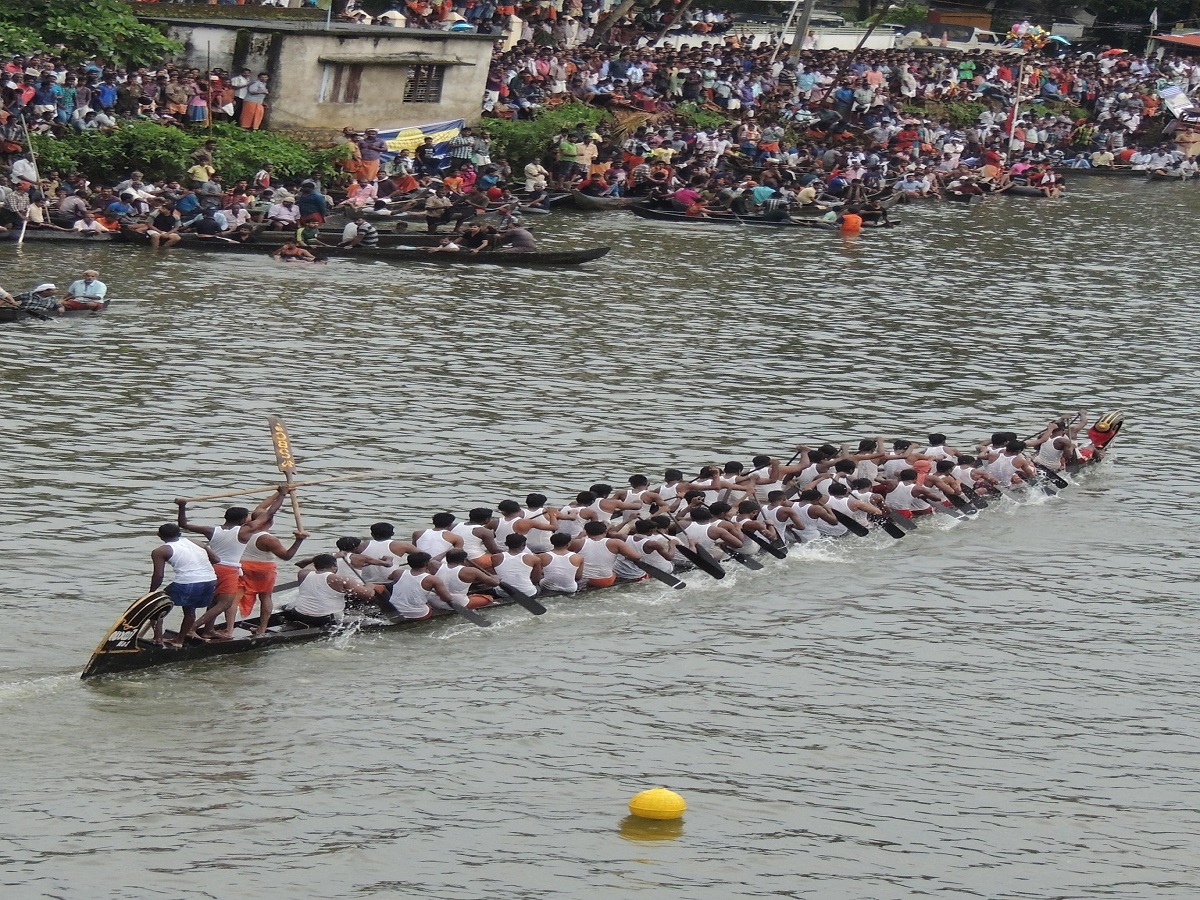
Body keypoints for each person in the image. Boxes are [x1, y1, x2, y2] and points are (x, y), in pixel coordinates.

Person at [175, 487, 292, 637]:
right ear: (244, 520)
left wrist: (182, 506)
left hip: (211, 568)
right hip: (228, 570)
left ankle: (208, 630)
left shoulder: (212, 530)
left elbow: (183, 524)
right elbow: (270, 513)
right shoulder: (244, 532)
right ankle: (193, 628)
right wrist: (282, 495)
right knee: (225, 603)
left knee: (214, 601)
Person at [149, 523, 219, 647]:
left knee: (155, 606)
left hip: (187, 582)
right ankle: (179, 641)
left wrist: (152, 593)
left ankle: (157, 639)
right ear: (180, 534)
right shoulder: (197, 542)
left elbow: (159, 575)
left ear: (159, 536)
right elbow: (216, 559)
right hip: (210, 580)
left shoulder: (160, 551)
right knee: (190, 610)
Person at [238, 513, 309, 624]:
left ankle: (229, 627)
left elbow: (263, 509)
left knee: (236, 596)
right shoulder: (268, 539)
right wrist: (298, 540)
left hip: (243, 568)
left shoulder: (243, 531)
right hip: (263, 569)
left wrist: (280, 495)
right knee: (265, 597)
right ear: (270, 522)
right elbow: (286, 556)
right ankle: (262, 627)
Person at [285, 554, 374, 628]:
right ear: (334, 565)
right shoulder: (341, 579)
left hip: (298, 615)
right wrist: (370, 585)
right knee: (365, 618)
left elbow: (310, 564)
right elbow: (368, 595)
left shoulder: (303, 573)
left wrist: (335, 555)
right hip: (326, 619)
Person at [571, 520, 642, 588]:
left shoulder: (577, 542)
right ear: (605, 532)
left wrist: (579, 536)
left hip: (583, 579)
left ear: (586, 532)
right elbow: (636, 557)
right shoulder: (616, 543)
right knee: (615, 571)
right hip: (604, 581)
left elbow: (562, 552)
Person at [388, 552, 454, 620]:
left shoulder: (397, 573)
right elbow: (446, 598)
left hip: (395, 609)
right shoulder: (433, 579)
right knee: (432, 601)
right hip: (419, 614)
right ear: (426, 564)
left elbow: (389, 578)